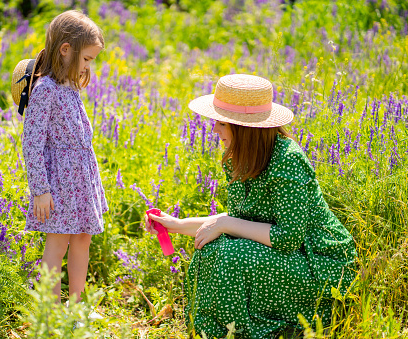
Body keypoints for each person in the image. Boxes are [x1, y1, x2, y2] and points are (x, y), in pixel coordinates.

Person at [145, 74, 356, 339]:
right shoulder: (240, 157)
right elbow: (238, 221)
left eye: (221, 124)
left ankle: (249, 332)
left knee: (232, 256)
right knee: (211, 249)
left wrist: (224, 225)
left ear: (243, 127)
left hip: (319, 265)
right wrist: (175, 225)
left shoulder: (287, 160)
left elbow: (287, 237)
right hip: (286, 256)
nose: (214, 130)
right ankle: (220, 333)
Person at [22, 10, 108, 304]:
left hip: (81, 179)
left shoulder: (70, 85)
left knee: (83, 237)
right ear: (66, 50)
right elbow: (31, 143)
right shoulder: (45, 89)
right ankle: (51, 311)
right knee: (58, 242)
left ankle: (76, 306)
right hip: (58, 183)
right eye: (86, 59)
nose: (87, 67)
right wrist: (40, 191)